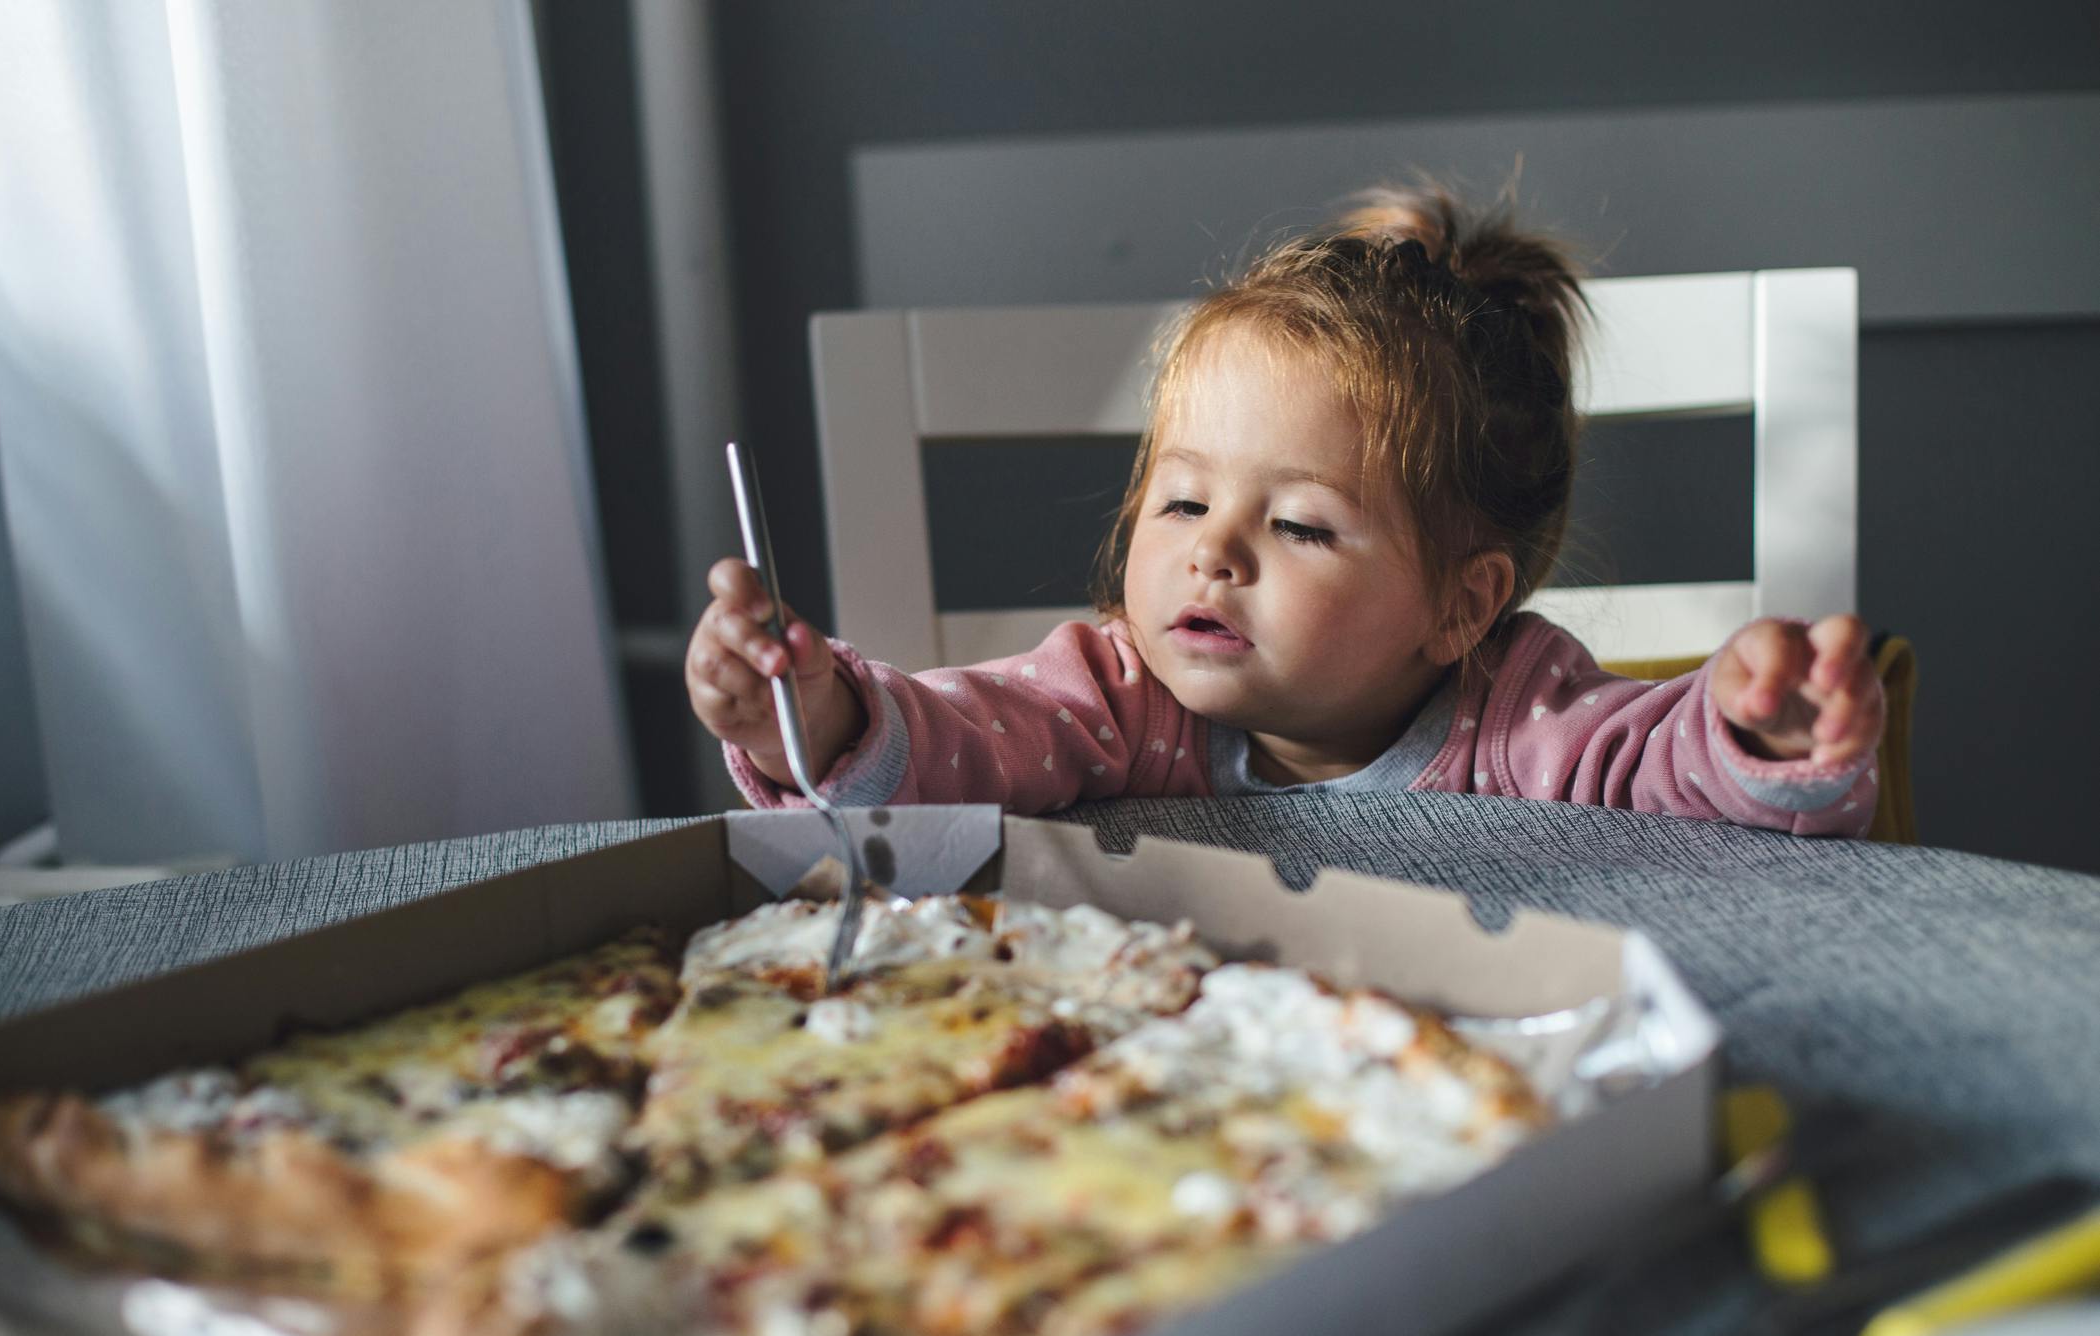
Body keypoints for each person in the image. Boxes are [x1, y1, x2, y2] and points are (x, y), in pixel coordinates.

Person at [686, 185, 1884, 836]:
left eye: (1301, 525)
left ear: (1464, 606)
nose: (1212, 550)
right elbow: (952, 741)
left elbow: (1655, 765)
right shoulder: (1114, 699)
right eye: (1184, 498)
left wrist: (1757, 731)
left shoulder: (1519, 717)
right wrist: (823, 709)